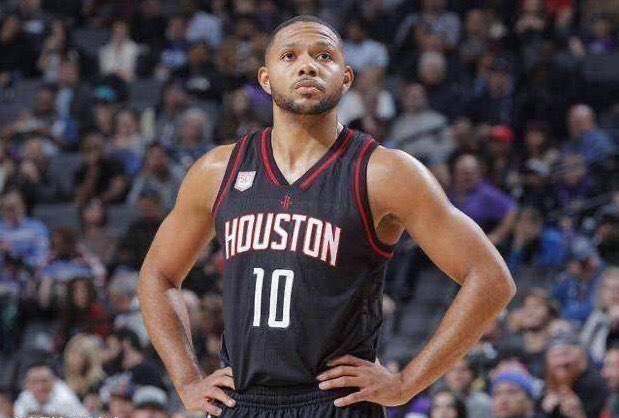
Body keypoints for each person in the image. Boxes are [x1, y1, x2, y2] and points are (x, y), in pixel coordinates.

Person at [138, 15, 516, 418]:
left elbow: (491, 278)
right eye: (289, 56)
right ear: (265, 79)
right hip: (241, 401)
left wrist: (406, 383)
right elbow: (158, 274)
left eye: (323, 56)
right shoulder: (217, 170)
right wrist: (187, 380)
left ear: (346, 77)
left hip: (335, 404)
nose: (307, 66)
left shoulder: (385, 172)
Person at [13, 361, 89, 417]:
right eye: (34, 382)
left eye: (44, 381)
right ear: (26, 384)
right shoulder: (24, 398)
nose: (40, 387)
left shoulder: (65, 399)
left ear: (54, 381)